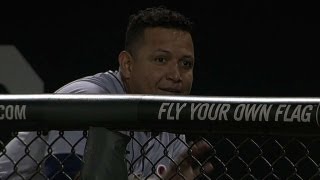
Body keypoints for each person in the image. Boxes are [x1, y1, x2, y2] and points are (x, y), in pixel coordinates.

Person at [0, 6, 213, 179]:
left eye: (186, 63)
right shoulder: (86, 100)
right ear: (128, 65)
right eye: (161, 60)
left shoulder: (170, 125)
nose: (176, 75)